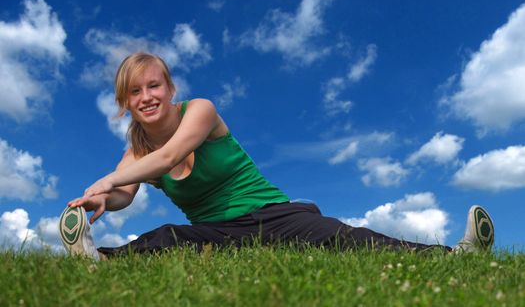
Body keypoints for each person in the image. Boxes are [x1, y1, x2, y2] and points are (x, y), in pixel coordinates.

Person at [59, 53, 495, 260]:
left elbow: (171, 153)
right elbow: (124, 193)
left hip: (273, 213)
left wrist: (109, 181)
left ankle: (456, 255)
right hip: (218, 230)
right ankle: (96, 260)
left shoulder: (201, 111)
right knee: (166, 237)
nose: (146, 96)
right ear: (125, 102)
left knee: (340, 236)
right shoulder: (137, 149)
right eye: (135, 91)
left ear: (169, 89)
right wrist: (101, 199)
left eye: (154, 85)